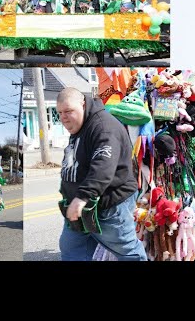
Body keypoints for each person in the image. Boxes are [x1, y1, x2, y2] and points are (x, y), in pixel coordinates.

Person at [57, 87, 147, 261]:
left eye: (68, 111)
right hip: (79, 208)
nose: (63, 117)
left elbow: (103, 165)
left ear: (83, 104)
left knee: (128, 253)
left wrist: (83, 196)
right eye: (60, 112)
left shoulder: (104, 127)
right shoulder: (80, 126)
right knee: (72, 249)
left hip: (109, 206)